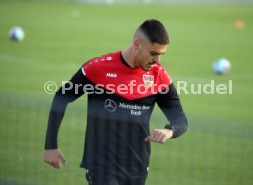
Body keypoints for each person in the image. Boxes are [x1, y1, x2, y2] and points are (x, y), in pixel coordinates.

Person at [44, 19, 188, 185]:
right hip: (101, 165)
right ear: (137, 43)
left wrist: (170, 131)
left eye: (161, 55)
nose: (158, 61)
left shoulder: (159, 76)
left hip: (138, 166)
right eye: (153, 53)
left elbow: (180, 119)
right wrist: (50, 145)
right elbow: (61, 98)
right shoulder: (98, 68)